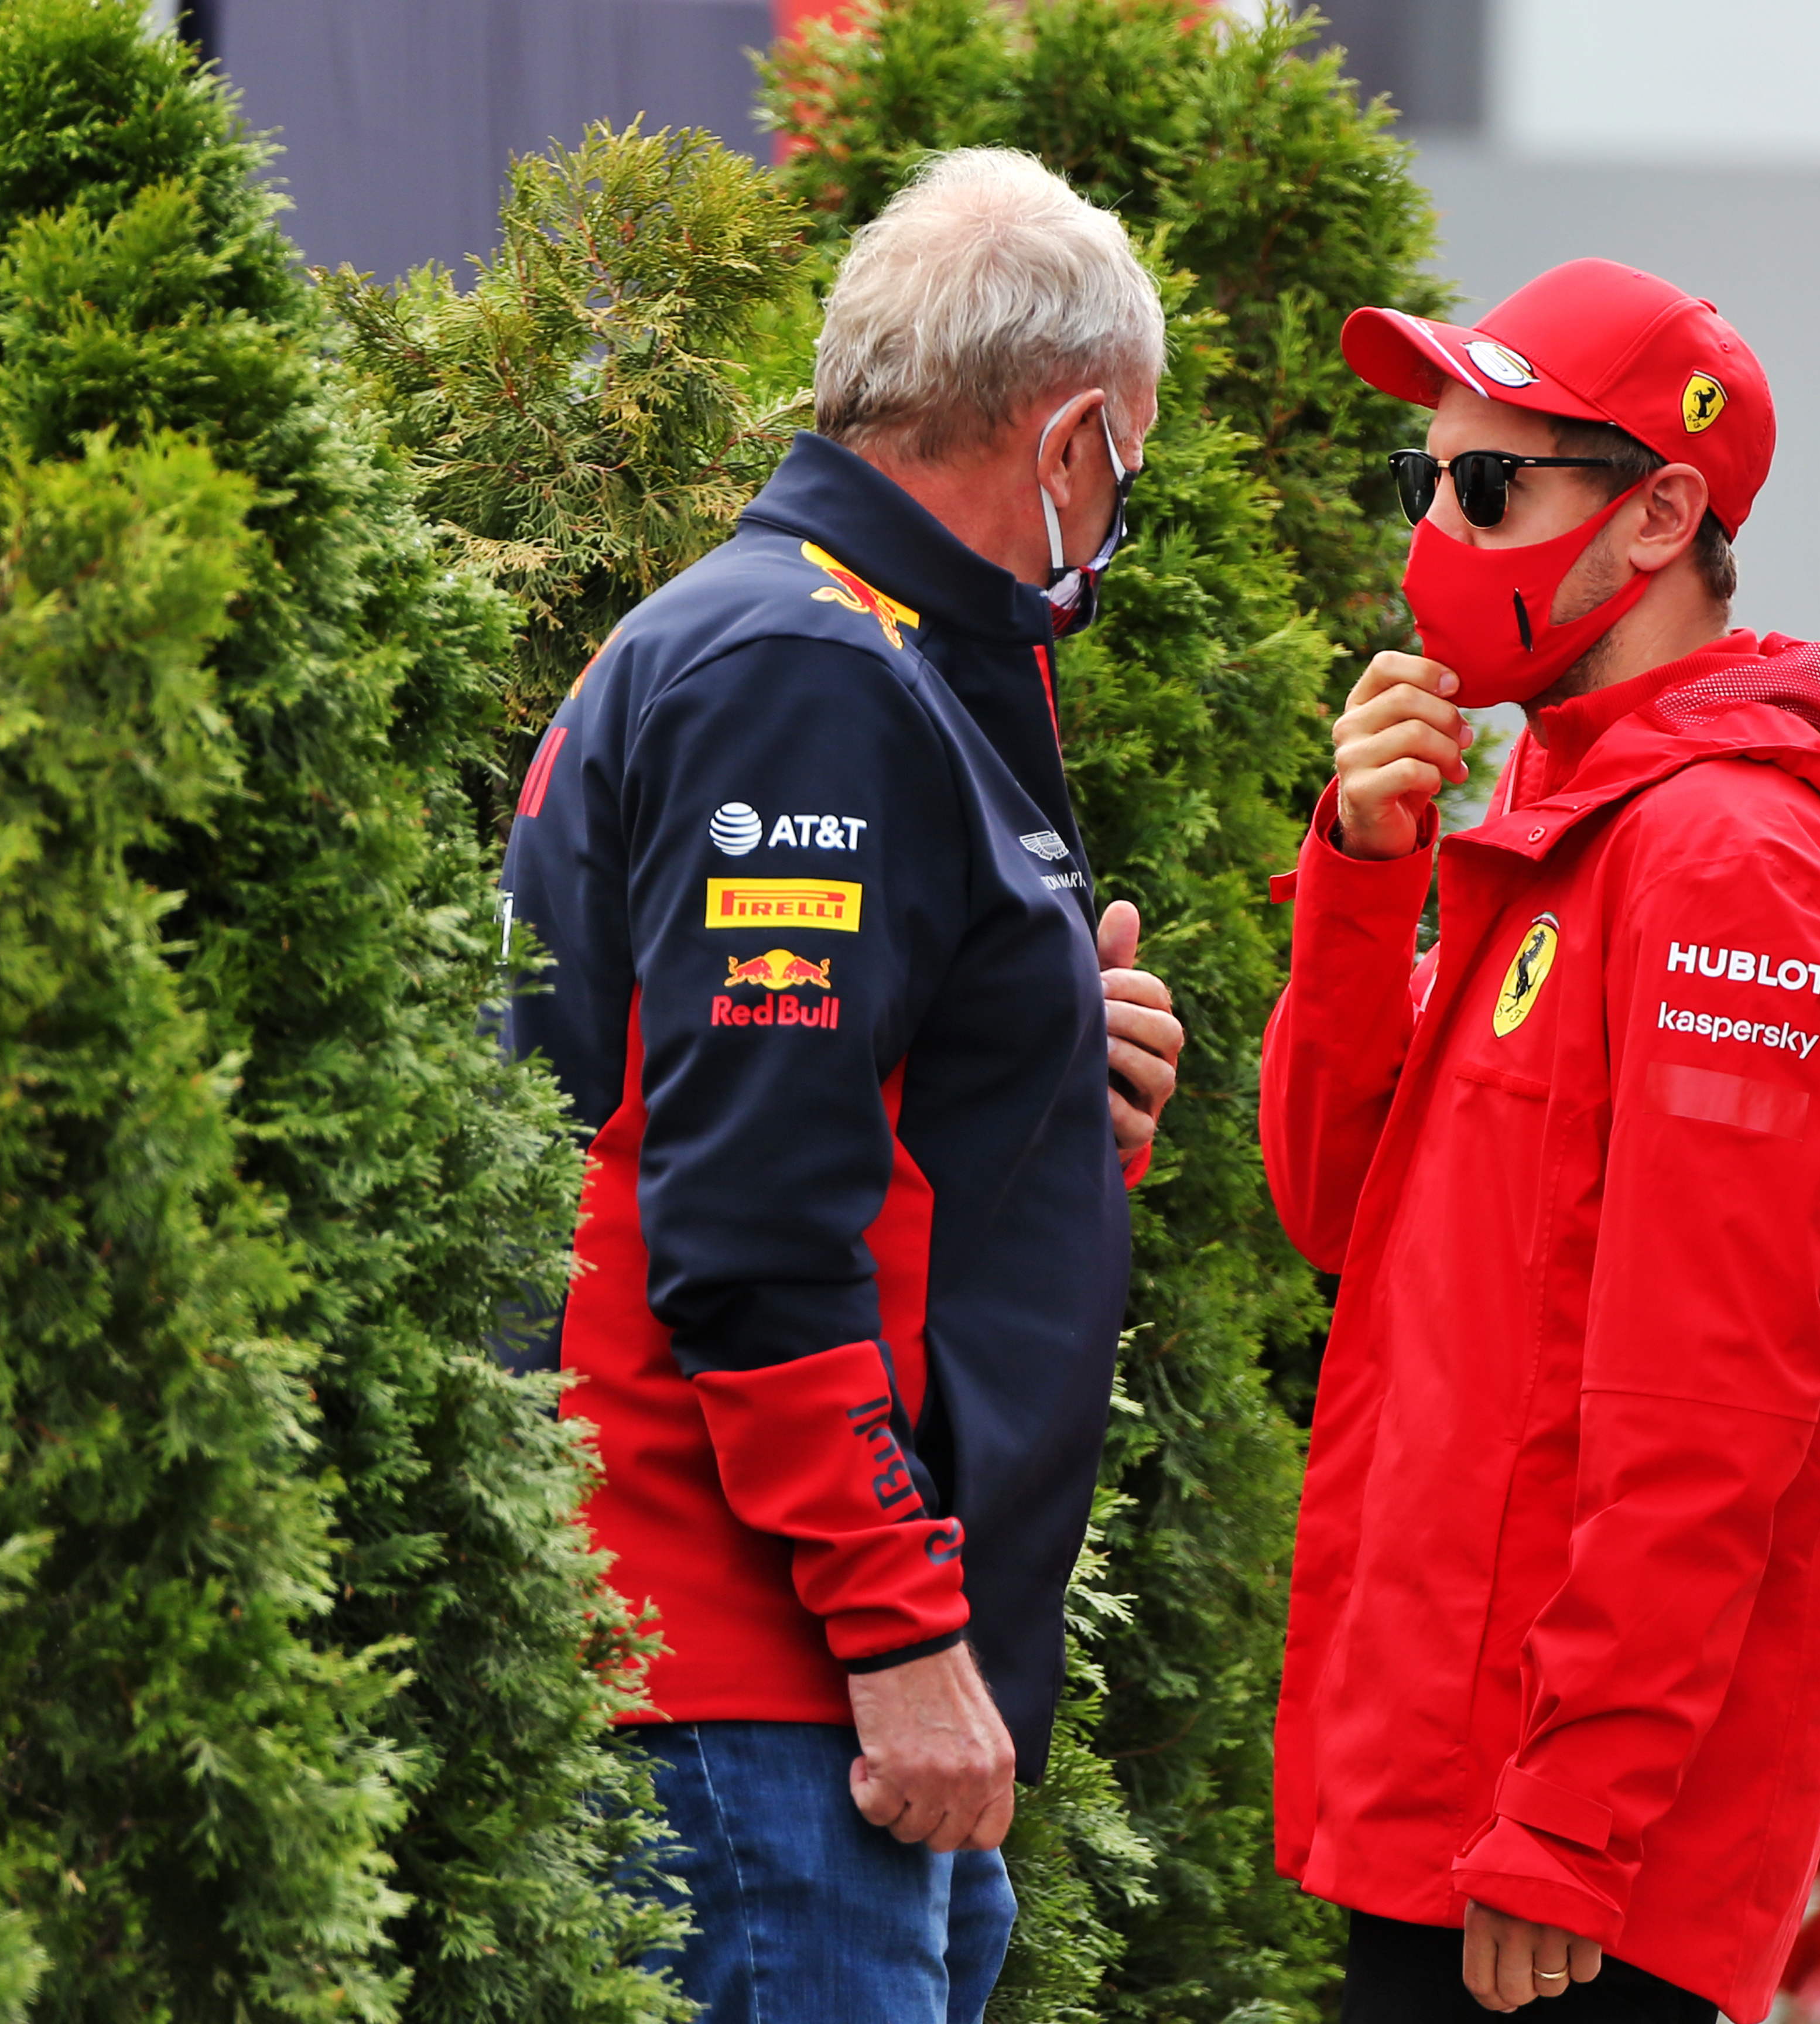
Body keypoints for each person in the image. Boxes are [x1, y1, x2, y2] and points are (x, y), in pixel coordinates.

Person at [497, 149, 1185, 2023]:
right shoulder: (808, 671)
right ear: (1067, 445)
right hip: (764, 1686)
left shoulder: (831, 647)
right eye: (1129, 464)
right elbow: (749, 1223)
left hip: (796, 1688)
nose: (1119, 513)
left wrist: (1055, 1073)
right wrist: (898, 1637)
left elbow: (828, 1118)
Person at [1258, 258, 1820, 2024]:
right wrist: (1362, 877)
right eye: (1420, 480)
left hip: (1568, 1881)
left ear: (1660, 516)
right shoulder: (1558, 814)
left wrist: (1573, 1821)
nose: (1438, 532)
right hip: (1447, 1813)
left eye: (1490, 486)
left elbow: (1710, 1403)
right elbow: (1340, 1210)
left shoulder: (1731, 861)